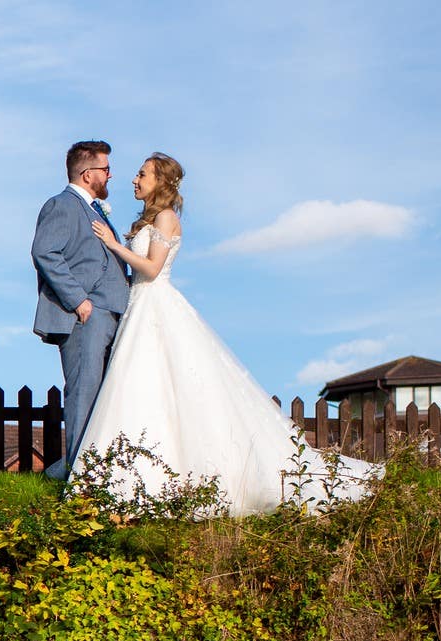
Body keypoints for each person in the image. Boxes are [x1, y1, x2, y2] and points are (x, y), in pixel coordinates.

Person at [70, 154, 382, 514]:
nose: (134, 180)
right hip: (140, 307)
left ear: (161, 182)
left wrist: (113, 244)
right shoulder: (150, 219)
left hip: (155, 304)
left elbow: (153, 269)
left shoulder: (167, 217)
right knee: (142, 388)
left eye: (142, 174)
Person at [32, 140, 132, 482]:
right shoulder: (62, 205)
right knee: (84, 392)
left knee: (103, 394)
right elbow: (45, 252)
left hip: (109, 313)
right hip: (85, 317)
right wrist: (78, 300)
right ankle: (78, 478)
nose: (110, 175)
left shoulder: (94, 210)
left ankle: (82, 471)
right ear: (88, 174)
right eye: (105, 169)